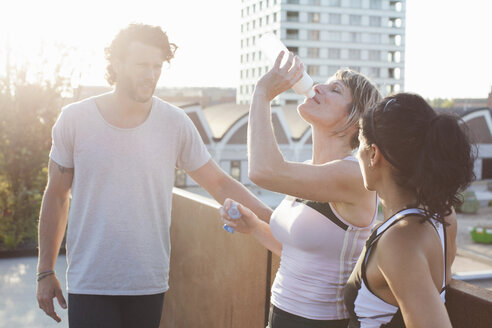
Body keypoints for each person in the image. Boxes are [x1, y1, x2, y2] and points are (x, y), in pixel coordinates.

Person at [35, 23, 272, 328]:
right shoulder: (75, 119)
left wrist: (276, 223)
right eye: (141, 65)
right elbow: (56, 195)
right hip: (89, 280)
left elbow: (219, 182)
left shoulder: (174, 123)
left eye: (157, 66)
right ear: (117, 64)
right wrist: (45, 271)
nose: (151, 74)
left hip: (148, 282)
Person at [220, 51, 382, 328]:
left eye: (335, 89)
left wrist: (262, 93)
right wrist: (255, 227)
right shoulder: (309, 169)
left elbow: (262, 170)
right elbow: (296, 250)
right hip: (280, 314)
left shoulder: (352, 175)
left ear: (355, 118)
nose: (317, 87)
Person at [344, 93, 475, 327]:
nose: (357, 155)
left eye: (360, 145)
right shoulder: (443, 215)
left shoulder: (400, 240)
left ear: (374, 154)